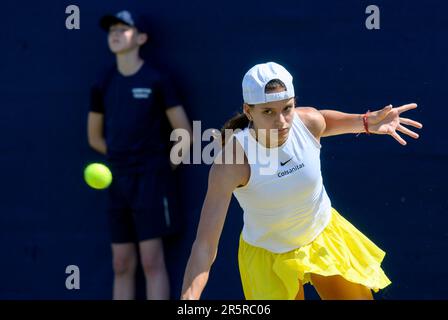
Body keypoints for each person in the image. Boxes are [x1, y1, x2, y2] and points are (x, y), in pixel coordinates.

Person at [181, 62, 422, 300]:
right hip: (268, 256)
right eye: (268, 112)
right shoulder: (232, 163)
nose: (282, 122)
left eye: (287, 108)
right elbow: (204, 246)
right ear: (248, 111)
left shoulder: (308, 122)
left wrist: (367, 122)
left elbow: (327, 120)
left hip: (323, 235)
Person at [87, 10, 192, 300]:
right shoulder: (103, 82)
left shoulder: (157, 79)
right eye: (112, 30)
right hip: (118, 180)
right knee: (121, 263)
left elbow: (184, 131)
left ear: (142, 38)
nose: (116, 34)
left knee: (151, 261)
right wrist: (123, 160)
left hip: (152, 180)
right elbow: (94, 137)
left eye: (124, 28)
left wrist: (161, 168)